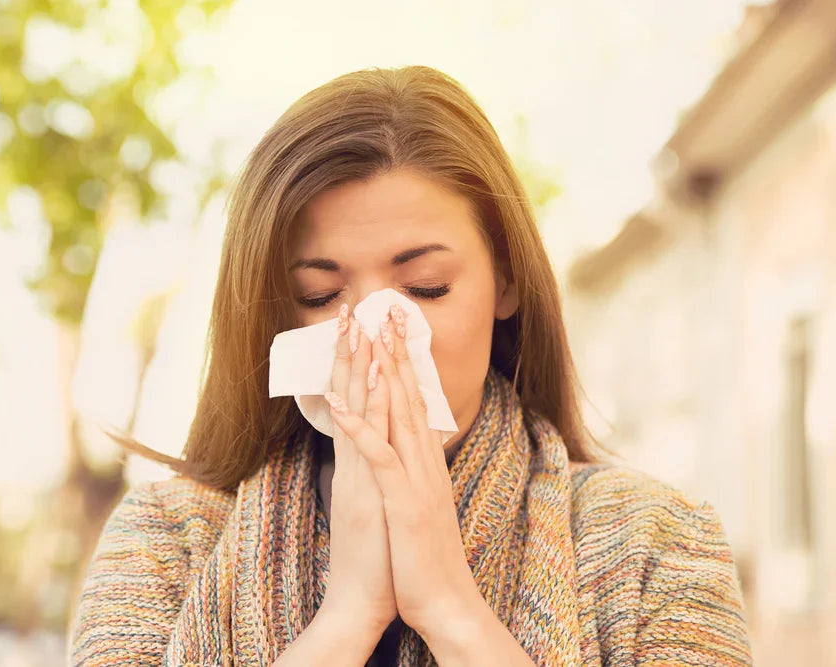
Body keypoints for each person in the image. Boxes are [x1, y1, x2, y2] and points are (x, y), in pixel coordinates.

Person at [70, 65, 752, 666]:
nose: (374, 337)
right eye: (320, 294)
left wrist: (455, 612)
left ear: (505, 283)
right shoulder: (166, 540)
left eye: (424, 286)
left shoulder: (657, 545)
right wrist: (345, 621)